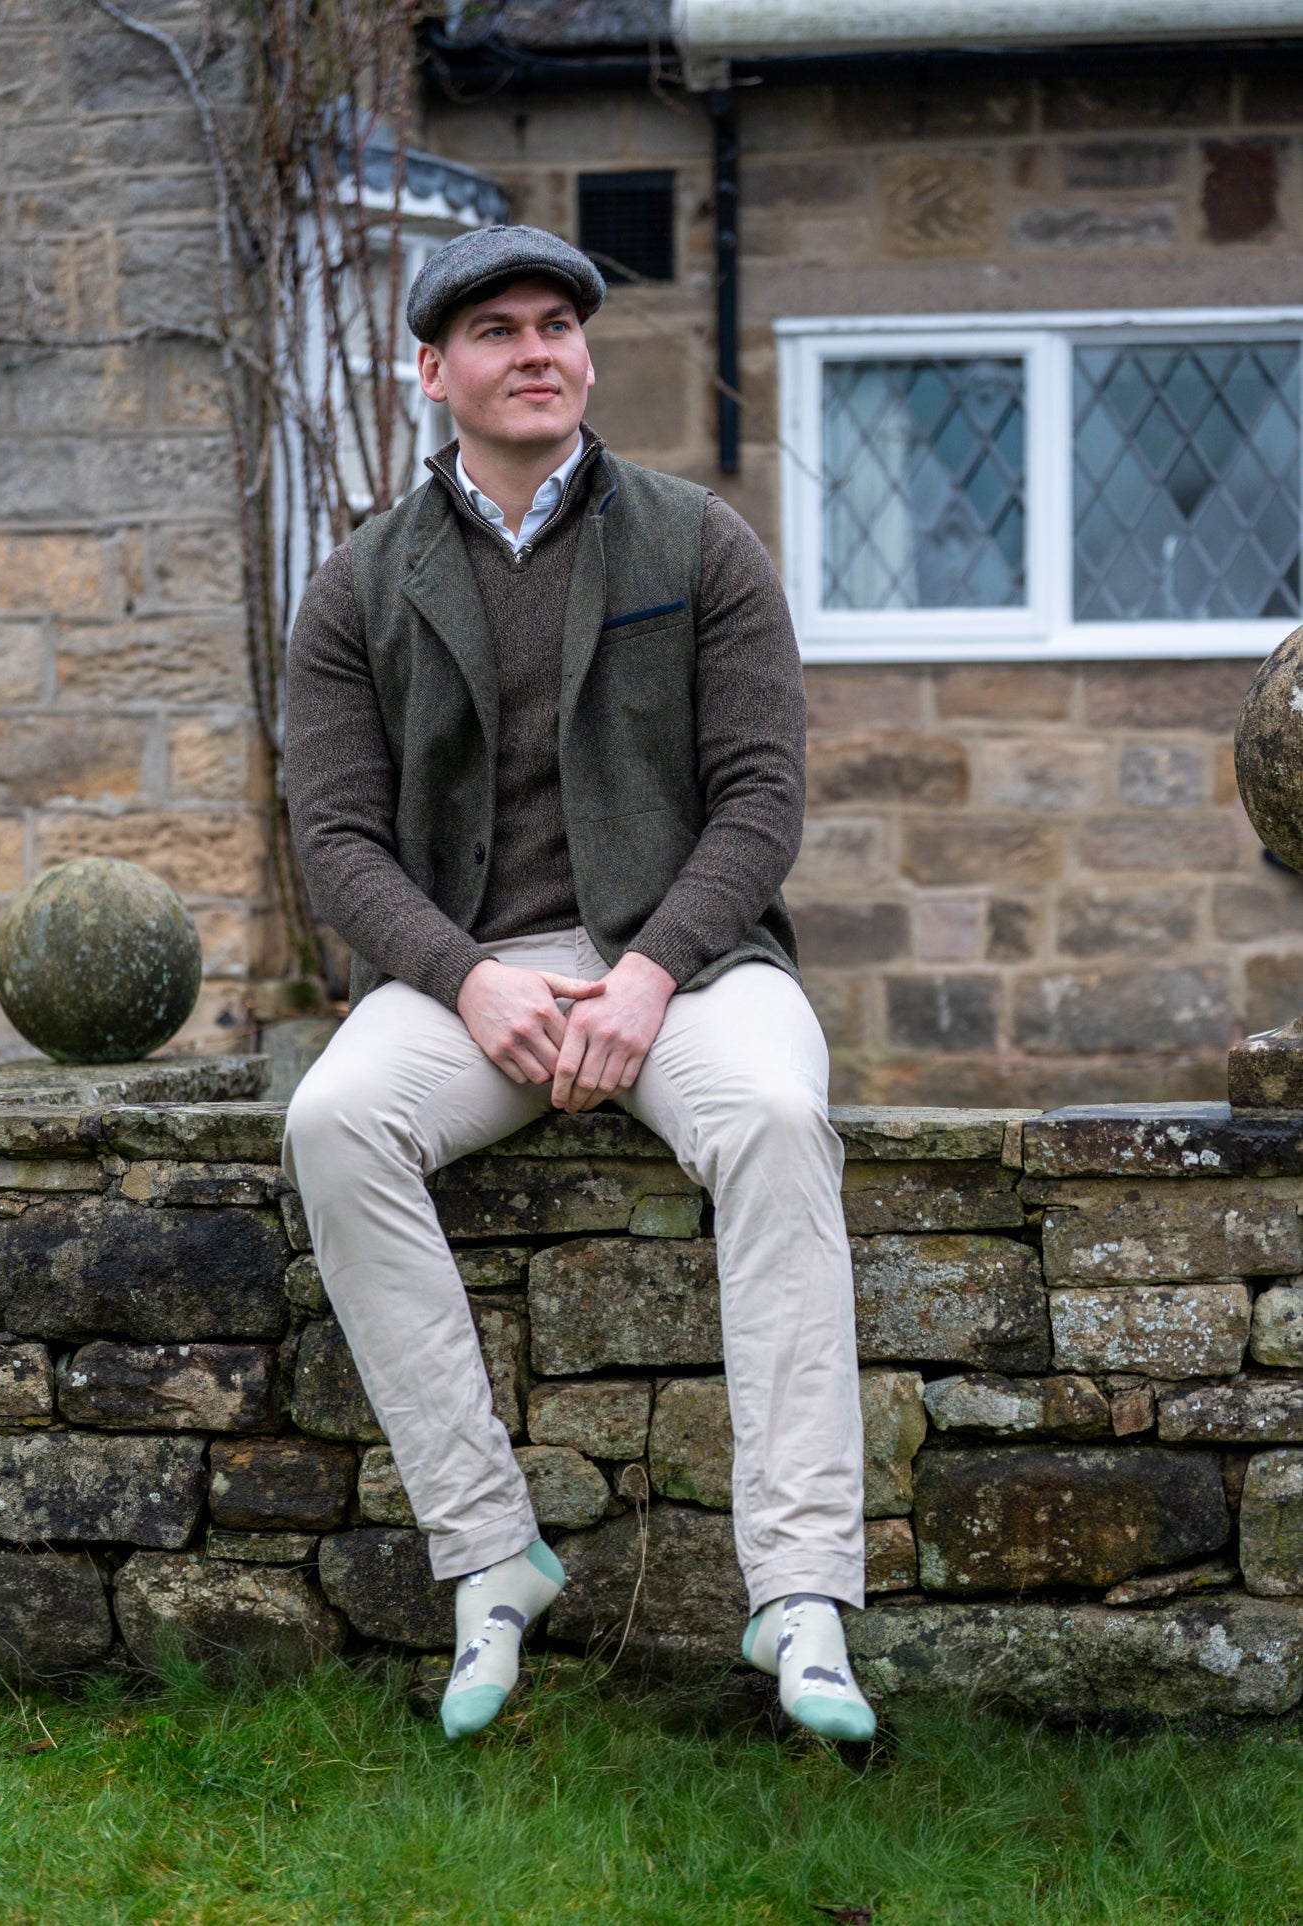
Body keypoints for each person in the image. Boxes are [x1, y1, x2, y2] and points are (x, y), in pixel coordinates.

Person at [282, 224, 874, 1744]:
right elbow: (336, 837)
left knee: (769, 1111)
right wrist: (462, 978)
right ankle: (490, 1555)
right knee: (338, 1116)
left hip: (691, 954)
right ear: (433, 371)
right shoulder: (357, 583)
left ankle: (800, 1593)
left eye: (558, 324)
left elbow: (759, 800)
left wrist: (653, 972)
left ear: (586, 355)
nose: (536, 348)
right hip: (469, 966)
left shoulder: (694, 539)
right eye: (496, 331)